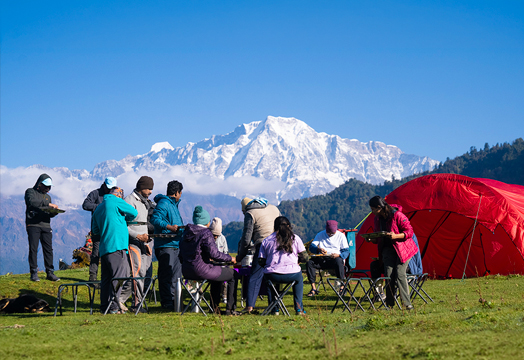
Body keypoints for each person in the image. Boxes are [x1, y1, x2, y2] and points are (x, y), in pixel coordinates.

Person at [179, 206, 239, 315]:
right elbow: (214, 254)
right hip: (201, 270)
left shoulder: (185, 233)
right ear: (206, 222)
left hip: (187, 271)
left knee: (217, 274)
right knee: (233, 274)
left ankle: (214, 308)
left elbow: (181, 255)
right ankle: (230, 309)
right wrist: (231, 258)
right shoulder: (205, 233)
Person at [366, 195, 418, 310]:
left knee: (400, 273)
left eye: (373, 209)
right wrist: (371, 238)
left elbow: (409, 232)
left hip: (403, 248)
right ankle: (390, 304)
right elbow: (378, 236)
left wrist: (395, 236)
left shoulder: (397, 215)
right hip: (387, 249)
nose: (372, 212)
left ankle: (407, 304)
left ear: (379, 207)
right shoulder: (377, 219)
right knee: (389, 274)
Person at [91, 187, 138, 314]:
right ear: (118, 195)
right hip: (117, 245)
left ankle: (104, 306)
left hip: (104, 248)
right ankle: (113, 307)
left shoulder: (98, 208)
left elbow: (95, 230)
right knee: (119, 277)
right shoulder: (116, 201)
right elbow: (133, 212)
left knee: (106, 279)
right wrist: (123, 219)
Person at [236, 197, 281, 314]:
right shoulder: (274, 208)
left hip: (264, 245)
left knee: (255, 275)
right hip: (280, 245)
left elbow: (246, 238)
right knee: (273, 275)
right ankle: (274, 306)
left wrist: (240, 256)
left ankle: (250, 306)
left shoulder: (250, 213)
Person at [259, 216, 309, 315]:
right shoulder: (295, 238)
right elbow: (306, 258)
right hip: (292, 273)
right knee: (299, 280)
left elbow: (260, 261)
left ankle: (274, 309)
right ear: (289, 226)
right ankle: (299, 309)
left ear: (275, 226)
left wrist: (270, 265)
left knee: (271, 283)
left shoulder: (267, 240)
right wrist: (297, 261)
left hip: (272, 274)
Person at [119, 176, 155, 313]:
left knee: (142, 271)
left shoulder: (145, 202)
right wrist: (137, 235)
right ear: (141, 187)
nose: (151, 192)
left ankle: (120, 299)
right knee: (137, 270)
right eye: (149, 188)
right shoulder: (129, 201)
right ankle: (136, 303)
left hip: (144, 241)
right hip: (133, 241)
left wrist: (146, 240)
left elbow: (143, 223)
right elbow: (123, 224)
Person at [150, 180, 185, 310]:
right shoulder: (164, 203)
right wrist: (170, 227)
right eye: (180, 193)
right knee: (166, 275)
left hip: (175, 244)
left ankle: (175, 302)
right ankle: (167, 302)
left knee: (176, 275)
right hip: (166, 244)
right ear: (177, 193)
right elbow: (155, 219)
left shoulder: (173, 205)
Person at [24, 173, 61, 282]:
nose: (48, 189)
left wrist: (54, 212)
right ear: (39, 184)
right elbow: (32, 202)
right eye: (46, 186)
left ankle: (50, 272)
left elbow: (47, 211)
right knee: (33, 248)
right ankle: (34, 272)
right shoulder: (30, 192)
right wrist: (49, 205)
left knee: (48, 249)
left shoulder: (48, 197)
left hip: (45, 225)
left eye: (49, 187)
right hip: (33, 224)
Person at [82, 177, 117, 282]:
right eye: (109, 188)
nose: (110, 190)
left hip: (110, 229)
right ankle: (93, 277)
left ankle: (110, 276)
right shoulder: (95, 193)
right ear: (104, 185)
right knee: (96, 253)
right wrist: (101, 206)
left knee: (111, 252)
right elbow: (85, 205)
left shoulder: (115, 194)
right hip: (97, 229)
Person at [305, 220, 349, 296]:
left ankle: (342, 287)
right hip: (322, 259)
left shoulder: (341, 236)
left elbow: (346, 251)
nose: (331, 234)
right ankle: (313, 288)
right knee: (310, 263)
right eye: (329, 233)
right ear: (326, 230)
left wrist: (338, 255)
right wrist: (318, 249)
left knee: (339, 261)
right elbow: (312, 247)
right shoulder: (320, 234)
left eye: (333, 233)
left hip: (335, 259)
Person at [209, 217, 232, 304]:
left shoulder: (223, 238)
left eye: (216, 236)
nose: (215, 237)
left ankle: (224, 295)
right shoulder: (206, 237)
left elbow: (225, 252)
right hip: (210, 265)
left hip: (220, 263)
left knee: (225, 277)